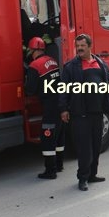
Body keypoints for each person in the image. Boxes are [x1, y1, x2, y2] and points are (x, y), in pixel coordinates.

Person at [59, 34, 109, 191]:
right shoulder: (71, 67)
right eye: (77, 46)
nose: (79, 49)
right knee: (84, 148)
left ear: (89, 46)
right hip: (81, 114)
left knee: (96, 146)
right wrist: (64, 109)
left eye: (82, 46)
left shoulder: (101, 64)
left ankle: (93, 175)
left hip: (98, 113)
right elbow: (63, 90)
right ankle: (83, 178)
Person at [25, 36, 66, 180]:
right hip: (60, 103)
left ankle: (51, 171)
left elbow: (30, 89)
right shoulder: (52, 61)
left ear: (32, 50)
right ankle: (60, 164)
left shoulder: (34, 66)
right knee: (59, 134)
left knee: (47, 136)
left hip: (49, 106)